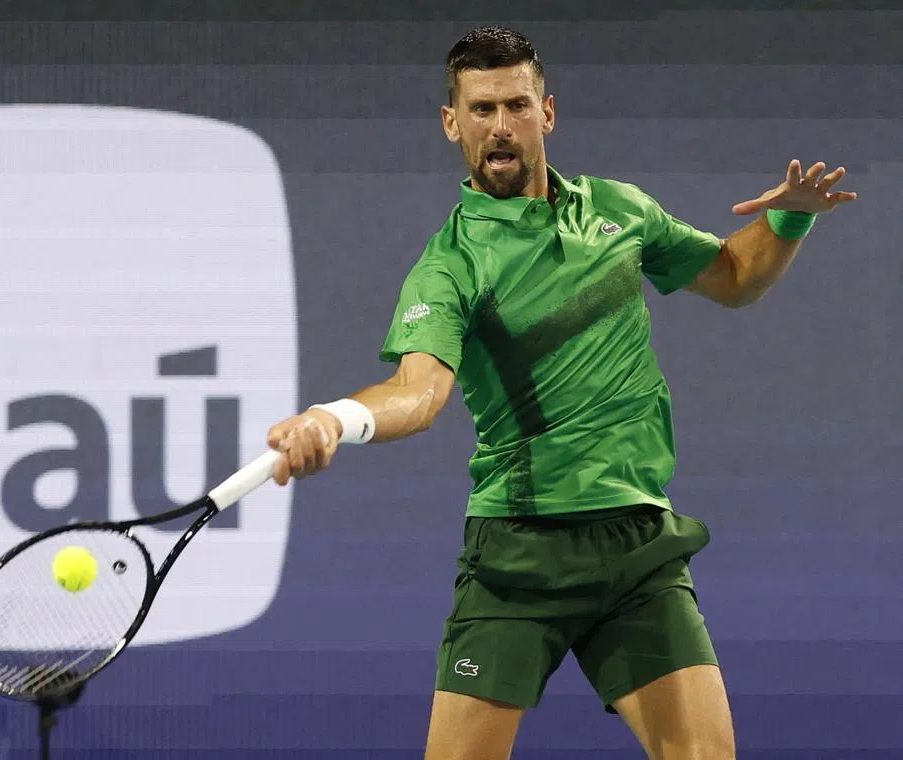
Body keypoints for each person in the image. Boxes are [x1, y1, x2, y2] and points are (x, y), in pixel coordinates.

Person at [265, 26, 857, 760]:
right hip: (519, 552)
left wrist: (790, 216)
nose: (500, 126)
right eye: (481, 110)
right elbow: (417, 393)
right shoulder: (449, 267)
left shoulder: (622, 211)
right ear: (453, 123)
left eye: (516, 104)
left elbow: (736, 277)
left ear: (547, 112)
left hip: (638, 546)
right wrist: (334, 418)